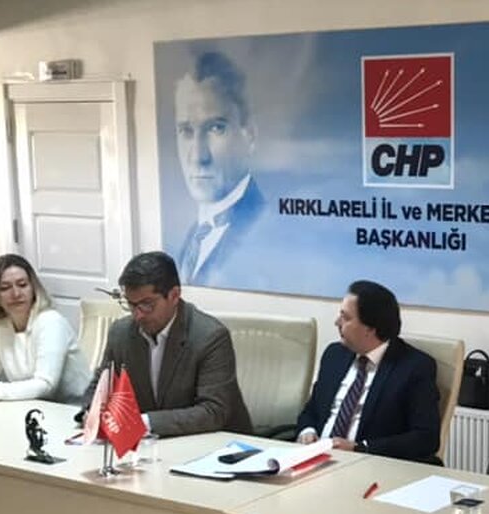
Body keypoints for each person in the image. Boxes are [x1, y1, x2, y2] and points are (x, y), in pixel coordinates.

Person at [81, 251, 251, 437]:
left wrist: (143, 423)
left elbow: (213, 412)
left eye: (147, 304)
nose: (138, 315)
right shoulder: (121, 333)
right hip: (151, 446)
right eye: (131, 304)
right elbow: (101, 386)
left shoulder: (210, 337)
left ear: (174, 295)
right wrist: (92, 412)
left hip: (216, 444)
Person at [296, 280, 440, 462]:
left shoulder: (414, 367)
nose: (337, 322)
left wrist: (360, 448)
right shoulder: (334, 355)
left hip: (369, 465)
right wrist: (307, 431)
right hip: (316, 460)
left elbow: (426, 438)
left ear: (370, 328)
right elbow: (311, 411)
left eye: (346, 318)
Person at [172, 50, 267, 287]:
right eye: (186, 131)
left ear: (250, 135)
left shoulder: (266, 229)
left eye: (216, 128)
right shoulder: (193, 234)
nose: (198, 156)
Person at [0, 254, 91, 404]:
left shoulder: (51, 321)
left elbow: (45, 385)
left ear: (34, 288)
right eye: (5, 288)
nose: (16, 294)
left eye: (22, 285)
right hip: (32, 405)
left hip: (74, 408)